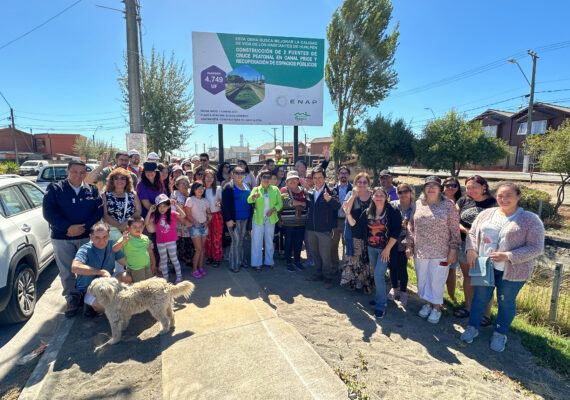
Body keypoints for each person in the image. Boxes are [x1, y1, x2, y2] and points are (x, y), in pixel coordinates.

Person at [461, 182, 544, 352]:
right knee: (479, 299)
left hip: (512, 271)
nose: (503, 199)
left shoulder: (530, 219)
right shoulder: (487, 214)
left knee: (506, 302)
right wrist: (470, 249)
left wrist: (508, 256)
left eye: (508, 195)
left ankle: (500, 333)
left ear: (518, 196)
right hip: (485, 266)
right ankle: (472, 327)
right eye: (500, 195)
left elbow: (536, 247)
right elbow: (472, 233)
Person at [42, 160, 104, 318]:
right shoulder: (56, 188)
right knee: (67, 269)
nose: (78, 175)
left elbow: (98, 211)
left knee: (88, 268)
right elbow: (49, 212)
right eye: (75, 171)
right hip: (62, 237)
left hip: (86, 235)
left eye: (82, 172)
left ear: (86, 173)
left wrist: (84, 227)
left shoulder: (91, 189)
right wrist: (67, 227)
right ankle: (72, 298)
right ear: (67, 171)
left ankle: (89, 299)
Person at [406, 176, 460, 324]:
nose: (431, 188)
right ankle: (428, 303)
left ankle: (437, 307)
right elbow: (411, 225)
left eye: (434, 186)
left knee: (437, 280)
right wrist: (410, 245)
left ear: (439, 189)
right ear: (423, 188)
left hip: (441, 250)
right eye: (428, 186)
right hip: (421, 249)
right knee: (423, 279)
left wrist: (453, 249)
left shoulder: (448, 205)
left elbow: (455, 229)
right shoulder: (419, 203)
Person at [349, 187, 401, 320]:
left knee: (378, 276)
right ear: (372, 197)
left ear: (386, 197)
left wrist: (388, 249)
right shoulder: (368, 212)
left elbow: (396, 232)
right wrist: (348, 214)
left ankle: (380, 305)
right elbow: (356, 227)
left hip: (385, 250)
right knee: (377, 275)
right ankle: (380, 297)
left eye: (381, 195)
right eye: (376, 195)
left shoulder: (392, 211)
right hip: (371, 249)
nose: (378, 197)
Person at [454, 175, 497, 326]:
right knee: (468, 277)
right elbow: (454, 218)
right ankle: (468, 307)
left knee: (485, 281)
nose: (470, 190)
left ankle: (486, 314)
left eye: (474, 187)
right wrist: (465, 230)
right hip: (465, 244)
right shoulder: (463, 201)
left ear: (483, 186)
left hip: (485, 247)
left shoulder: (493, 203)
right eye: (468, 187)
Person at [71, 222, 130, 316]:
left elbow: (126, 263)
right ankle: (90, 304)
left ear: (109, 235)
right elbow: (75, 267)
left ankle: (117, 302)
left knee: (128, 277)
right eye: (97, 238)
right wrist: (100, 272)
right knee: (105, 307)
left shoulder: (112, 245)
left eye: (105, 237)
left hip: (107, 281)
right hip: (90, 288)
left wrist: (143, 252)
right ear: (91, 237)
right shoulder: (85, 249)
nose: (101, 241)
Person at [305, 167, 340, 289]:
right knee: (315, 253)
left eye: (320, 178)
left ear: (324, 178)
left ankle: (328, 278)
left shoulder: (330, 191)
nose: (317, 180)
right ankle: (318, 273)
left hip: (324, 230)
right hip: (311, 229)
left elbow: (337, 206)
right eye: (315, 178)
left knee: (325, 255)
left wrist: (329, 199)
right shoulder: (310, 192)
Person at [340, 172, 373, 293]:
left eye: (365, 182)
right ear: (355, 183)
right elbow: (345, 209)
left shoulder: (373, 195)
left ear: (368, 184)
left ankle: (365, 282)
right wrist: (353, 196)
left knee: (366, 258)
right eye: (359, 182)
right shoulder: (350, 194)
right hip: (353, 231)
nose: (362, 184)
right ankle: (353, 281)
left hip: (369, 232)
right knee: (354, 257)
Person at [145, 194, 186, 283]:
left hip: (171, 241)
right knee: (163, 260)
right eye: (159, 206)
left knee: (174, 258)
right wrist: (150, 211)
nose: (162, 208)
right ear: (156, 207)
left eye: (164, 206)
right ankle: (165, 277)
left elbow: (183, 215)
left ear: (168, 206)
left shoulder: (172, 214)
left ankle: (179, 276)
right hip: (160, 242)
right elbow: (147, 223)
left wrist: (176, 205)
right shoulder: (155, 216)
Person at [248, 169, 283, 272]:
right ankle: (256, 263)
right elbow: (249, 200)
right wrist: (254, 196)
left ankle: (269, 261)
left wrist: (273, 210)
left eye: (269, 177)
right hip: (258, 218)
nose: (266, 179)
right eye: (264, 177)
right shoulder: (256, 189)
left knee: (269, 240)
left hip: (270, 218)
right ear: (261, 178)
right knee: (257, 241)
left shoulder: (275, 189)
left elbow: (280, 204)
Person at [388, 183, 415, 306]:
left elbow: (417, 225)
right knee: (392, 266)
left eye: (405, 191)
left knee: (402, 267)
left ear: (410, 192)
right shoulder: (392, 205)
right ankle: (394, 288)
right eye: (400, 192)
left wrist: (407, 226)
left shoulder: (415, 207)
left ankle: (403, 291)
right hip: (392, 240)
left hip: (406, 241)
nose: (403, 194)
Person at [221, 166, 251, 272]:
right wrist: (228, 219)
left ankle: (241, 260)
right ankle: (234, 264)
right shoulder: (228, 187)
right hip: (233, 219)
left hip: (245, 218)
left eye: (242, 173)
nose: (239, 175)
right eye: (237, 172)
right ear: (232, 174)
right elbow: (224, 205)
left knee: (241, 240)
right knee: (236, 240)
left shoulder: (247, 186)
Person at [101, 168, 141, 243]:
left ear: (127, 181)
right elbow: (104, 214)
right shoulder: (105, 195)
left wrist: (126, 224)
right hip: (111, 232)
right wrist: (119, 226)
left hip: (129, 231)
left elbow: (138, 211)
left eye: (123, 178)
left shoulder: (133, 194)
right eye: (116, 178)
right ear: (112, 180)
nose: (120, 180)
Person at [112, 216, 156, 283]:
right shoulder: (126, 238)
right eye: (134, 226)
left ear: (143, 227)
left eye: (140, 226)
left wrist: (153, 263)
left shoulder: (145, 238)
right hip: (136, 269)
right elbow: (114, 249)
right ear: (128, 227)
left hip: (147, 266)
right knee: (139, 287)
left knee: (148, 285)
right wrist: (123, 241)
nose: (138, 229)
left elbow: (150, 251)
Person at [280, 171, 308, 272]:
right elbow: (287, 202)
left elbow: (309, 202)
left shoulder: (303, 190)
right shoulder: (283, 190)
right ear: (287, 181)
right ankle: (288, 262)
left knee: (299, 242)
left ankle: (297, 261)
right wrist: (302, 203)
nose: (292, 181)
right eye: (290, 179)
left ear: (298, 180)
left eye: (294, 179)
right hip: (288, 222)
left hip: (301, 222)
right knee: (288, 242)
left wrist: (301, 203)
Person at [184, 181, 212, 278]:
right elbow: (187, 214)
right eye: (198, 188)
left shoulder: (205, 200)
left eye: (202, 188)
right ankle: (194, 270)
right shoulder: (190, 199)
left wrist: (207, 222)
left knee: (202, 249)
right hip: (195, 227)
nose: (200, 190)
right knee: (198, 249)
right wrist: (194, 221)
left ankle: (201, 267)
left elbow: (209, 214)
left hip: (204, 226)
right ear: (194, 190)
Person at [442, 176, 462, 303]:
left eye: (453, 185)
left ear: (458, 187)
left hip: (454, 239)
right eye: (448, 185)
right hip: (439, 239)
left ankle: (451, 296)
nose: (450, 187)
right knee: (438, 268)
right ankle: (437, 294)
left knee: (451, 269)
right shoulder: (437, 199)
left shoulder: (462, 201)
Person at [331, 166, 352, 270]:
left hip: (347, 221)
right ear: (338, 175)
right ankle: (335, 265)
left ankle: (345, 267)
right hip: (335, 220)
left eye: (345, 173)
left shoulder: (352, 189)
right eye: (341, 173)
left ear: (348, 175)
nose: (343, 175)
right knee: (333, 244)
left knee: (347, 244)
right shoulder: (332, 189)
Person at [171, 175, 194, 267]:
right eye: (182, 183)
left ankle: (189, 259)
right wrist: (184, 221)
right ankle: (176, 263)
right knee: (178, 243)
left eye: (186, 183)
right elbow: (172, 210)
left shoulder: (191, 193)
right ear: (177, 185)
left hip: (190, 222)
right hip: (178, 223)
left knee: (189, 242)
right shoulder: (174, 194)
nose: (184, 185)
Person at [204, 170, 223, 266]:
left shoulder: (218, 188)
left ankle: (217, 257)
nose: (209, 179)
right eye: (207, 177)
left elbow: (221, 199)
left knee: (216, 238)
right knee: (207, 237)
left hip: (216, 215)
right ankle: (209, 256)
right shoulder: (201, 189)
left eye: (211, 177)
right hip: (205, 216)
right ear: (204, 178)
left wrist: (219, 202)